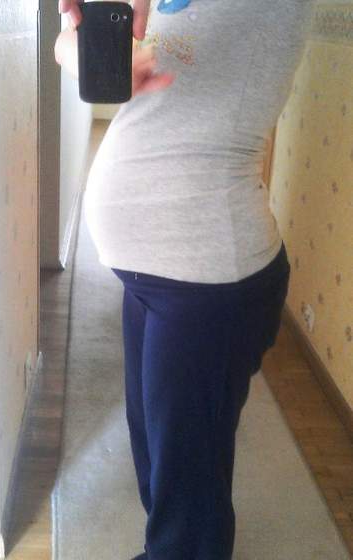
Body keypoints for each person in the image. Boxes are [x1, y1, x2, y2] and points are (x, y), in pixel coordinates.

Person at [55, 1, 314, 559]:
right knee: (156, 450)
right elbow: (67, 45)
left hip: (209, 280)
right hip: (148, 278)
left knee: (189, 476)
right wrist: (81, 50)